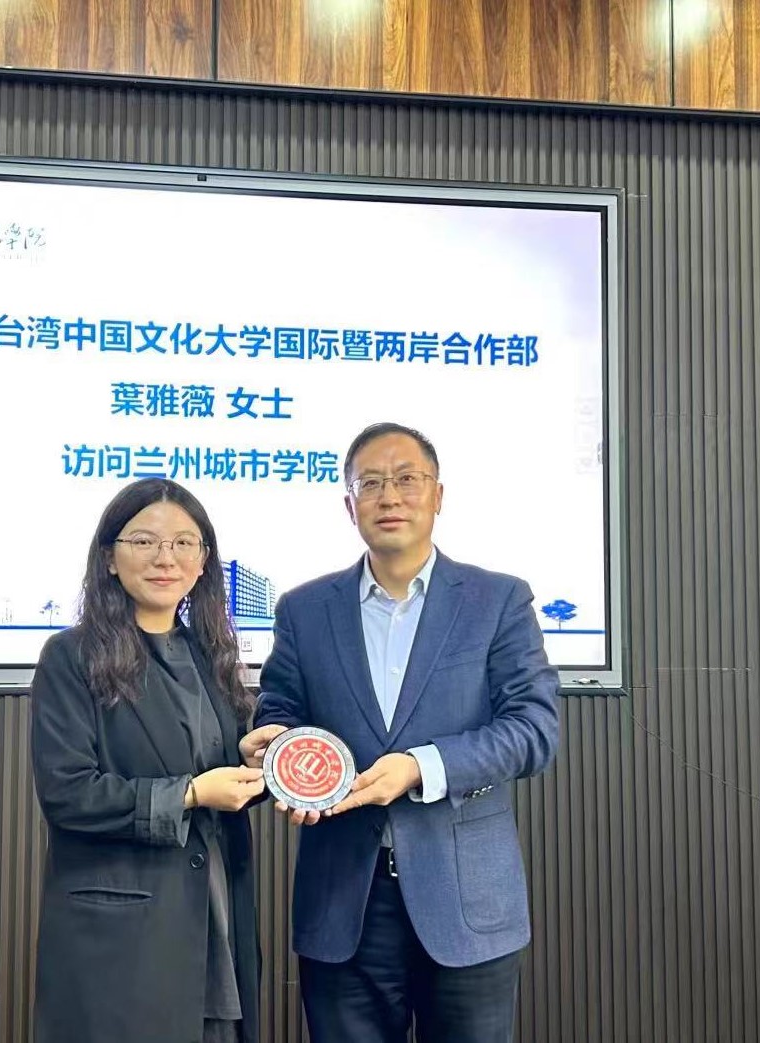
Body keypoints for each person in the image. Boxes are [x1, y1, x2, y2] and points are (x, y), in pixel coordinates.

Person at [249, 422, 561, 1043]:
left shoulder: (497, 600)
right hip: (343, 903)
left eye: (406, 479)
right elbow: (279, 706)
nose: (389, 496)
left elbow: (534, 728)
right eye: (370, 483)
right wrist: (276, 743)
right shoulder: (304, 610)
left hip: (467, 903)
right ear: (349, 505)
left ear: (438, 495)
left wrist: (422, 767)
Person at [30, 478, 282, 1043]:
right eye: (144, 541)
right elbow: (69, 794)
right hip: (125, 932)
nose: (166, 558)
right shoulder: (70, 656)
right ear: (109, 557)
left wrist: (249, 759)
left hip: (215, 911)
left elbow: (213, 769)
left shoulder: (210, 653)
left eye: (184, 543)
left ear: (203, 561)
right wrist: (190, 794)